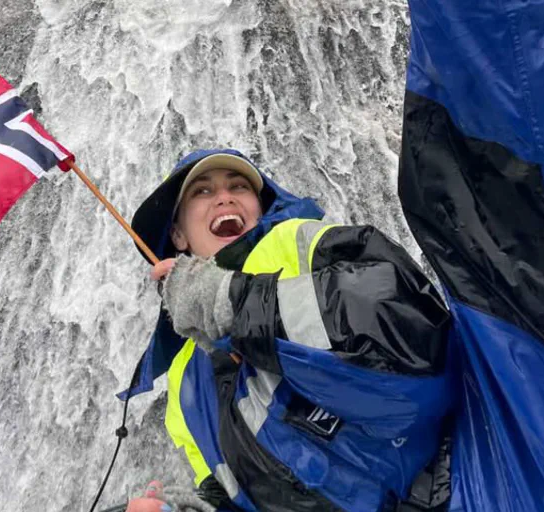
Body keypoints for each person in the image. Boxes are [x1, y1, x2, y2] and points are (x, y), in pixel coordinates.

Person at [127, 149, 454, 512]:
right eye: (202, 191)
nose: (224, 196)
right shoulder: (181, 378)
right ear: (178, 234)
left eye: (239, 186)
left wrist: (234, 302)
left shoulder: (299, 243)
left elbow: (410, 327)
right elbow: (233, 493)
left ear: (260, 210)